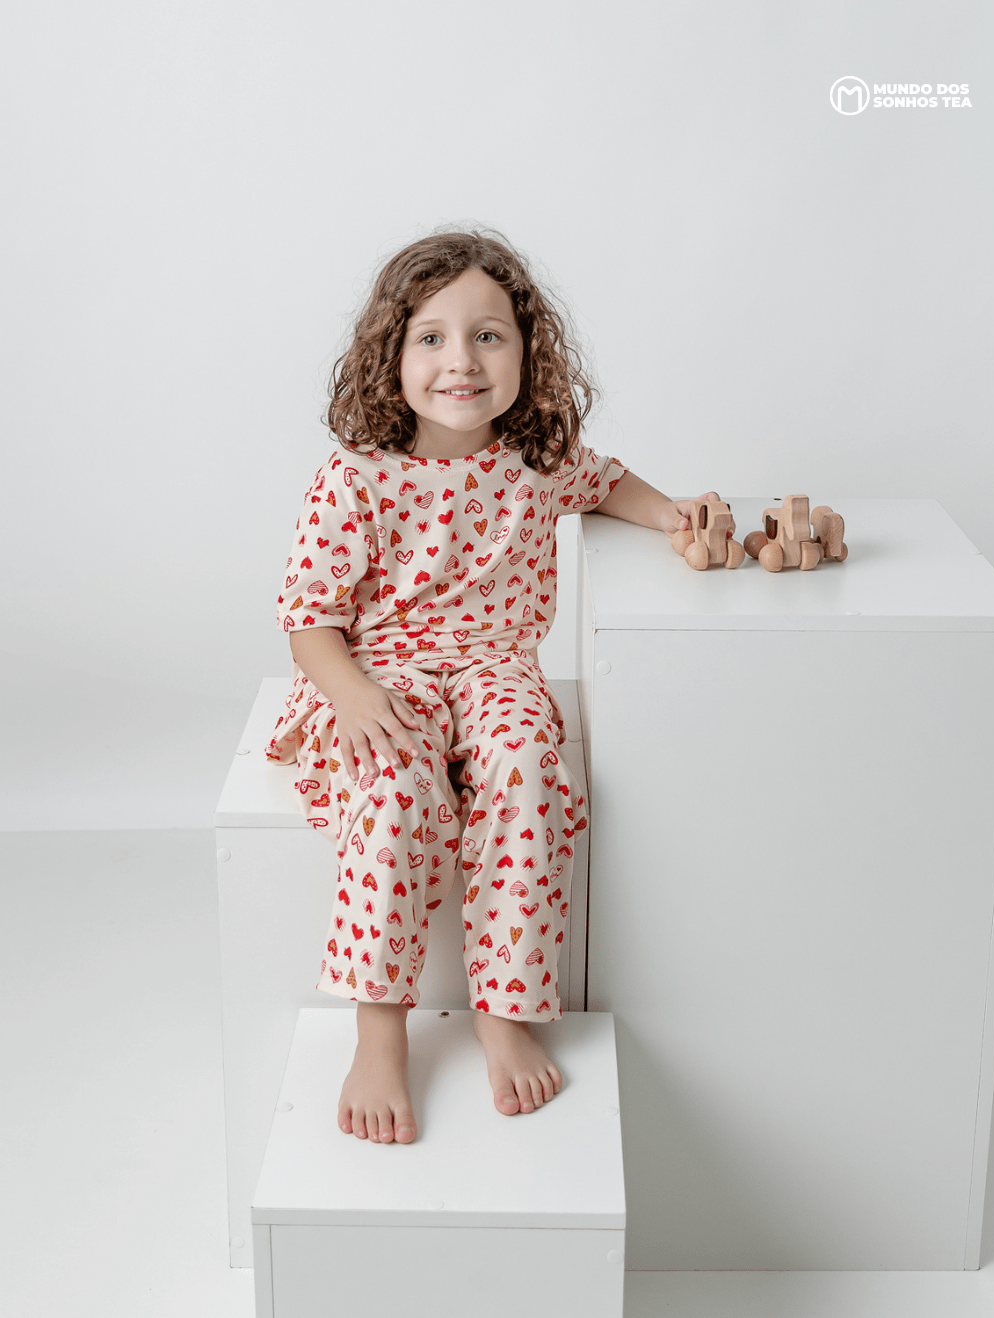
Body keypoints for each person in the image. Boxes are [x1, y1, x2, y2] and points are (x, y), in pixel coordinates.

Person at [266, 228, 718, 1144]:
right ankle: (379, 1033)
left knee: (528, 769)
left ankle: (505, 1013)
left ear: (526, 350)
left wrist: (672, 513)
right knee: (397, 793)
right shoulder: (355, 477)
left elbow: (608, 483)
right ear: (390, 354)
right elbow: (309, 617)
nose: (461, 362)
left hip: (495, 667)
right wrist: (351, 694)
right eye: (431, 338)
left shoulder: (535, 458)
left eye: (488, 336)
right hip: (378, 670)